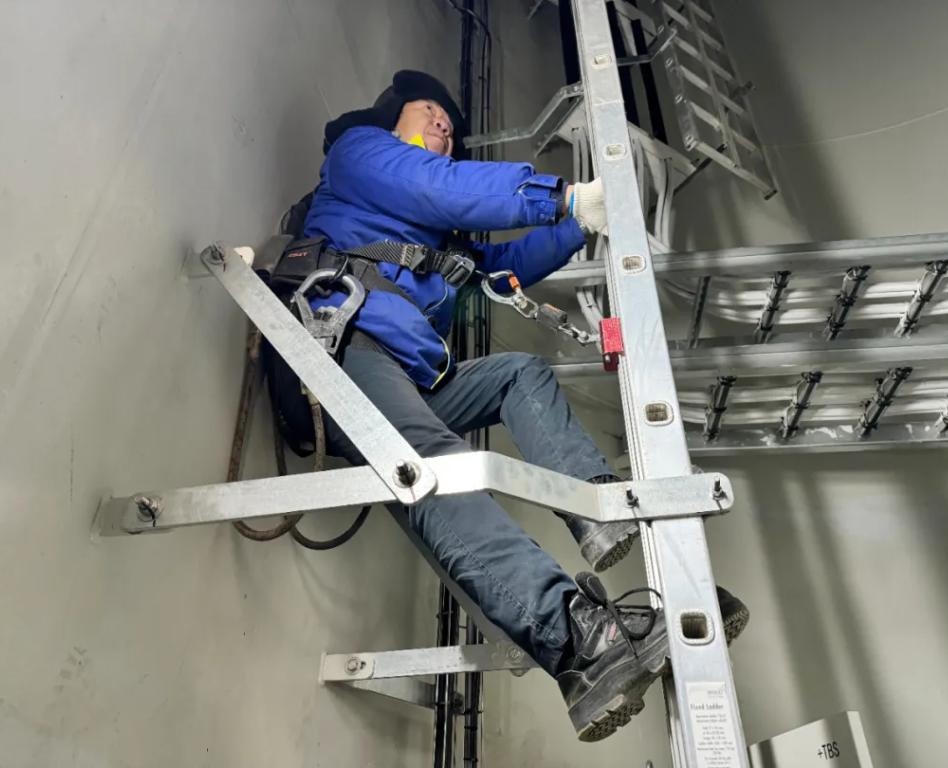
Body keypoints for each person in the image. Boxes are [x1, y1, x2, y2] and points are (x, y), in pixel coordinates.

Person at [269, 70, 748, 742]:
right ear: (391, 115)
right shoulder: (360, 153)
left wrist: (579, 222)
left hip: (406, 371)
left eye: (450, 125)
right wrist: (560, 195)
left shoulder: (438, 242)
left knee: (518, 374)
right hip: (339, 345)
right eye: (430, 110)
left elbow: (499, 271)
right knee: (438, 467)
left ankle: (597, 508)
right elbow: (440, 186)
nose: (444, 124)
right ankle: (576, 634)